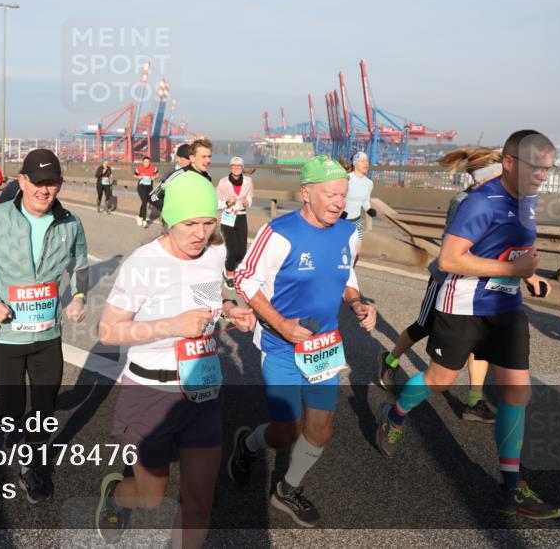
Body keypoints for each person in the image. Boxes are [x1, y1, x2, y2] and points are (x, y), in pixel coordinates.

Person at [375, 130, 560, 520]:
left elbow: (516, 247)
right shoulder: (480, 202)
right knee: (440, 380)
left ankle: (510, 486)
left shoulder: (527, 201)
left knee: (516, 392)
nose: (543, 175)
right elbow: (449, 260)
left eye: (548, 168)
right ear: (509, 162)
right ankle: (395, 414)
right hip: (462, 306)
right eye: (535, 167)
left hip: (506, 308)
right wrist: (513, 269)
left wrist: (528, 274)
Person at [95, 172, 255, 547]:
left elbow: (205, 295)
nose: (200, 233)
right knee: (151, 497)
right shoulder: (143, 263)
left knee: (199, 502)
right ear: (169, 220)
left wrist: (229, 309)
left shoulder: (214, 253)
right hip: (149, 392)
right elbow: (108, 331)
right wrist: (174, 325)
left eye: (208, 223)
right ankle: (117, 495)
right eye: (190, 224)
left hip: (202, 390)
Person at [227, 155, 377, 527]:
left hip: (324, 347)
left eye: (343, 195)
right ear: (306, 193)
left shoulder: (348, 233)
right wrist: (281, 324)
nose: (339, 203)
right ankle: (248, 444)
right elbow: (243, 279)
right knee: (285, 432)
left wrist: (357, 302)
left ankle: (287, 489)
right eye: (330, 195)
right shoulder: (278, 233)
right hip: (281, 346)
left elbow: (346, 273)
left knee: (321, 430)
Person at [0, 149, 88, 503]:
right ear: (23, 181)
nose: (45, 190)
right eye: (38, 182)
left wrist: (78, 297)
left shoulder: (70, 223)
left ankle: (31, 467)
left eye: (52, 183)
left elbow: (80, 265)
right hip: (8, 336)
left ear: (60, 184)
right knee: (13, 410)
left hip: (48, 335)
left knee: (44, 409)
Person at [377, 147, 515, 424]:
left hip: (479, 286)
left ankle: (474, 402)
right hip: (446, 281)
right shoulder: (464, 201)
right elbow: (455, 249)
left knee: (481, 342)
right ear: (486, 176)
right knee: (423, 327)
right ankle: (390, 361)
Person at [216, 157, 253, 289]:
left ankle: (229, 262)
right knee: (233, 248)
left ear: (242, 168)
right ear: (230, 167)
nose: (236, 167)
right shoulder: (223, 182)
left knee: (241, 252)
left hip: (241, 216)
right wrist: (227, 203)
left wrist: (248, 203)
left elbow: (250, 197)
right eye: (234, 165)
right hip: (228, 217)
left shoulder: (248, 181)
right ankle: (229, 273)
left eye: (239, 166)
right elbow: (217, 203)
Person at [149, 139, 214, 213]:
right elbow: (153, 197)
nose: (208, 160)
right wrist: (173, 213)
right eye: (204, 156)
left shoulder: (207, 177)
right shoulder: (175, 175)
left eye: (209, 157)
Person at [344, 151, 376, 262]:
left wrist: (369, 209)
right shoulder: (346, 178)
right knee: (342, 250)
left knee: (357, 253)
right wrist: (341, 212)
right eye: (362, 161)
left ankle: (351, 269)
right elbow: (339, 196)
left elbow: (365, 201)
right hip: (342, 220)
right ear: (355, 163)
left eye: (367, 161)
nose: (366, 163)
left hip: (357, 221)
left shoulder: (369, 183)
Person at [133, 155, 159, 227]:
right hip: (141, 187)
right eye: (145, 162)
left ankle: (139, 217)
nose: (146, 163)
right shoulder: (139, 168)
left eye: (148, 162)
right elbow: (134, 175)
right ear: (143, 162)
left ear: (149, 162)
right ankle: (144, 220)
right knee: (144, 202)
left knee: (144, 202)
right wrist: (138, 177)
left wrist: (154, 177)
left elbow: (157, 174)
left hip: (149, 188)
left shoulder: (153, 168)